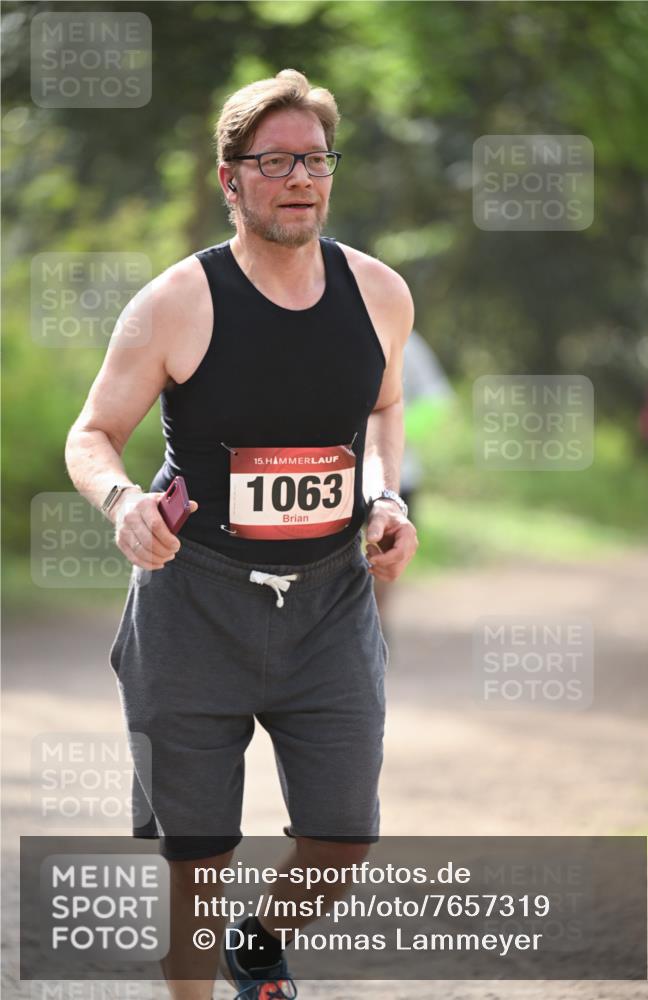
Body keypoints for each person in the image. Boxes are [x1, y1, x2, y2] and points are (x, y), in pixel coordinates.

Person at [65, 68, 417, 1000]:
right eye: (274, 162)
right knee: (197, 861)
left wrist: (386, 500)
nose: (299, 177)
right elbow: (92, 434)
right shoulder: (174, 302)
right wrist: (121, 501)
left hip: (330, 605)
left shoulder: (379, 293)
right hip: (195, 603)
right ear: (230, 179)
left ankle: (256, 941)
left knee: (344, 837)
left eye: (314, 159)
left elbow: (383, 413)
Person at [373, 329, 453, 626]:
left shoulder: (404, 338)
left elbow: (438, 400)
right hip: (336, 477)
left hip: (397, 478)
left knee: (385, 559)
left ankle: (379, 625)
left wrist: (390, 435)